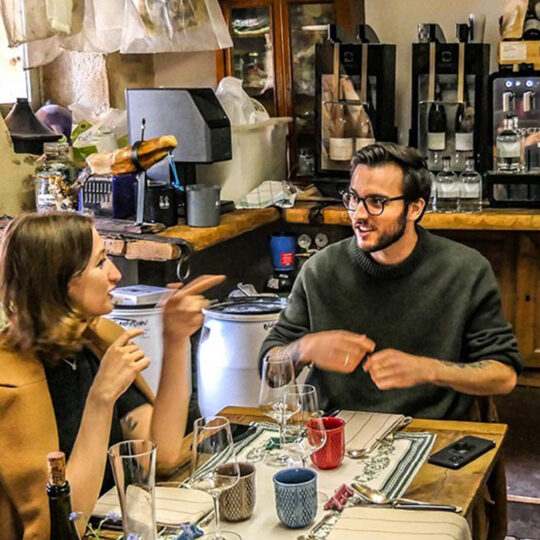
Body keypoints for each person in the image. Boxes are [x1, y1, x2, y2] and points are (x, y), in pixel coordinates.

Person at [0, 212, 224, 539]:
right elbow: (59, 528)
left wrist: (175, 339)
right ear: (59, 281)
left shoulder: (95, 339)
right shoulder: (11, 382)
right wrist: (101, 400)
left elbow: (161, 454)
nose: (116, 274)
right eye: (100, 262)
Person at [260, 143, 523, 419]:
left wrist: (428, 370)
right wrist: (303, 349)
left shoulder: (466, 270)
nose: (359, 215)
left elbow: (503, 375)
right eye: (353, 198)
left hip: (431, 433)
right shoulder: (320, 270)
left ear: (414, 208)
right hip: (337, 434)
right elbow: (271, 372)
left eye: (377, 202)